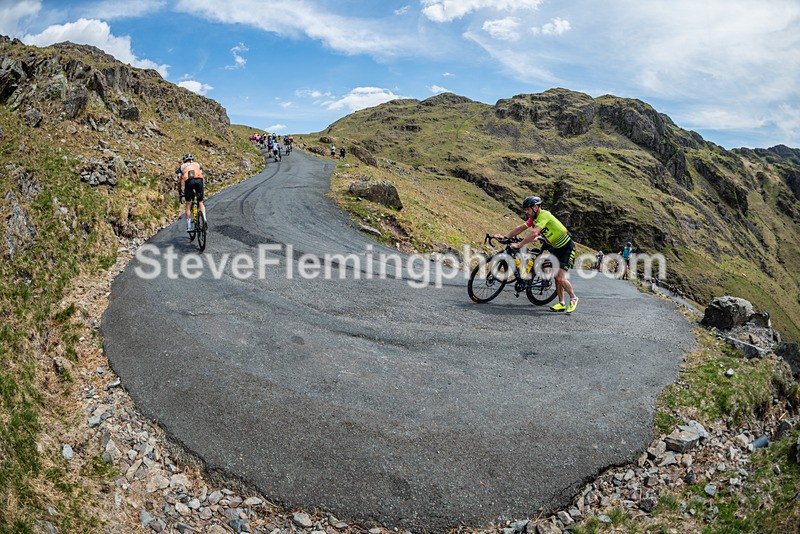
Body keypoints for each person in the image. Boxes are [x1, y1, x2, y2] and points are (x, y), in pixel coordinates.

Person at [494, 196, 578, 313]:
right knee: (555, 276)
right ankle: (561, 303)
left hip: (566, 248)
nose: (526, 212)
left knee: (560, 278)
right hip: (555, 248)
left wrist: (519, 245)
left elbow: (534, 233)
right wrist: (505, 237)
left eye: (528, 209)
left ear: (535, 207)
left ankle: (573, 298)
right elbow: (520, 228)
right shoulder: (533, 218)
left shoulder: (544, 215)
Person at [176, 153, 206, 232]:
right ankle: (205, 219)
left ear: (184, 160)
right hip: (199, 180)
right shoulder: (197, 164)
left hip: (189, 181)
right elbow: (201, 175)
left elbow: (179, 181)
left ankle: (189, 226)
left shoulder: (182, 167)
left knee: (188, 204)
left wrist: (180, 191)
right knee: (200, 202)